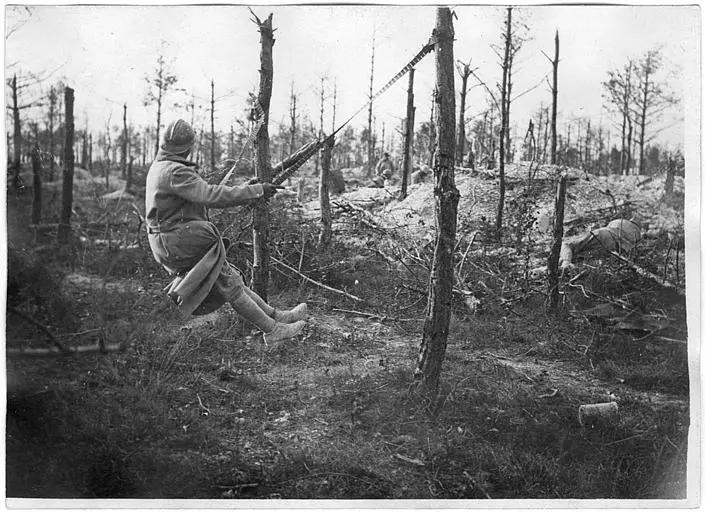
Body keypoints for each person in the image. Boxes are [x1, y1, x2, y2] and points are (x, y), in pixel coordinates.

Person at [145, 119, 307, 343]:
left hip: (172, 241)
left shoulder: (161, 167)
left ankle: (276, 316)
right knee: (229, 283)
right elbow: (210, 196)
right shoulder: (175, 171)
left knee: (231, 277)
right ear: (188, 147)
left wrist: (249, 190)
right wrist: (257, 190)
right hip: (179, 241)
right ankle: (272, 330)